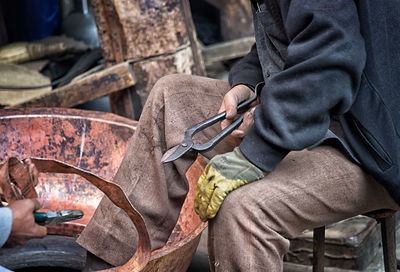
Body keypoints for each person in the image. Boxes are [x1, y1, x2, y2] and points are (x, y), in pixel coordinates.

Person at [78, 0, 400, 271]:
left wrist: (257, 150)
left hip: (372, 144)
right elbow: (290, 36)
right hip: (319, 112)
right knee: (171, 100)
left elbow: (331, 58)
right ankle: (112, 266)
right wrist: (248, 82)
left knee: (243, 211)